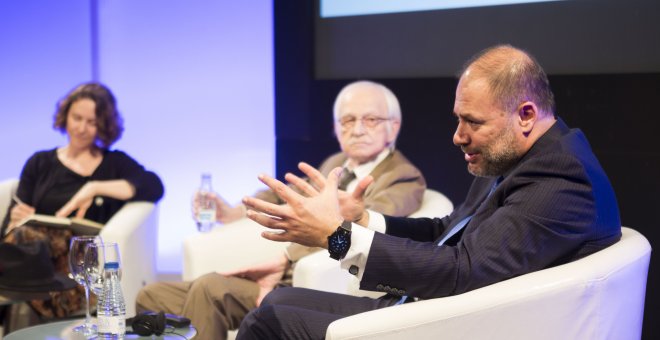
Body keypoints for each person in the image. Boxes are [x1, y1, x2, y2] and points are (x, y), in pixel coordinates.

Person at [236, 45, 622, 339]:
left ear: (525, 114)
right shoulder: (520, 157)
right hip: (433, 310)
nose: (458, 136)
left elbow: (462, 271)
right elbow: (448, 230)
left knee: (270, 320)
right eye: (458, 119)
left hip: (457, 325)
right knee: (277, 300)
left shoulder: (561, 179)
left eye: (472, 122)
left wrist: (336, 238)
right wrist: (361, 221)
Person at [135, 80, 427, 340]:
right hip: (284, 275)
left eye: (371, 119)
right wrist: (232, 212)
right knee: (153, 295)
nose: (358, 129)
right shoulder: (336, 164)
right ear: (336, 128)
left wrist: (288, 258)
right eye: (348, 120)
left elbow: (373, 229)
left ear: (394, 126)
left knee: (211, 288)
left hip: (317, 284)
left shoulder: (402, 176)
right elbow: (280, 194)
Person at [1, 82, 164, 323]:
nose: (82, 128)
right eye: (77, 118)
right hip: (34, 260)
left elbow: (153, 185)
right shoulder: (40, 162)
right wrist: (15, 220)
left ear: (104, 125)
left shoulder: (114, 164)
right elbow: (13, 221)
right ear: (65, 116)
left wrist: (95, 187)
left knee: (23, 252)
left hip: (77, 264)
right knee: (23, 238)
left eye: (92, 122)